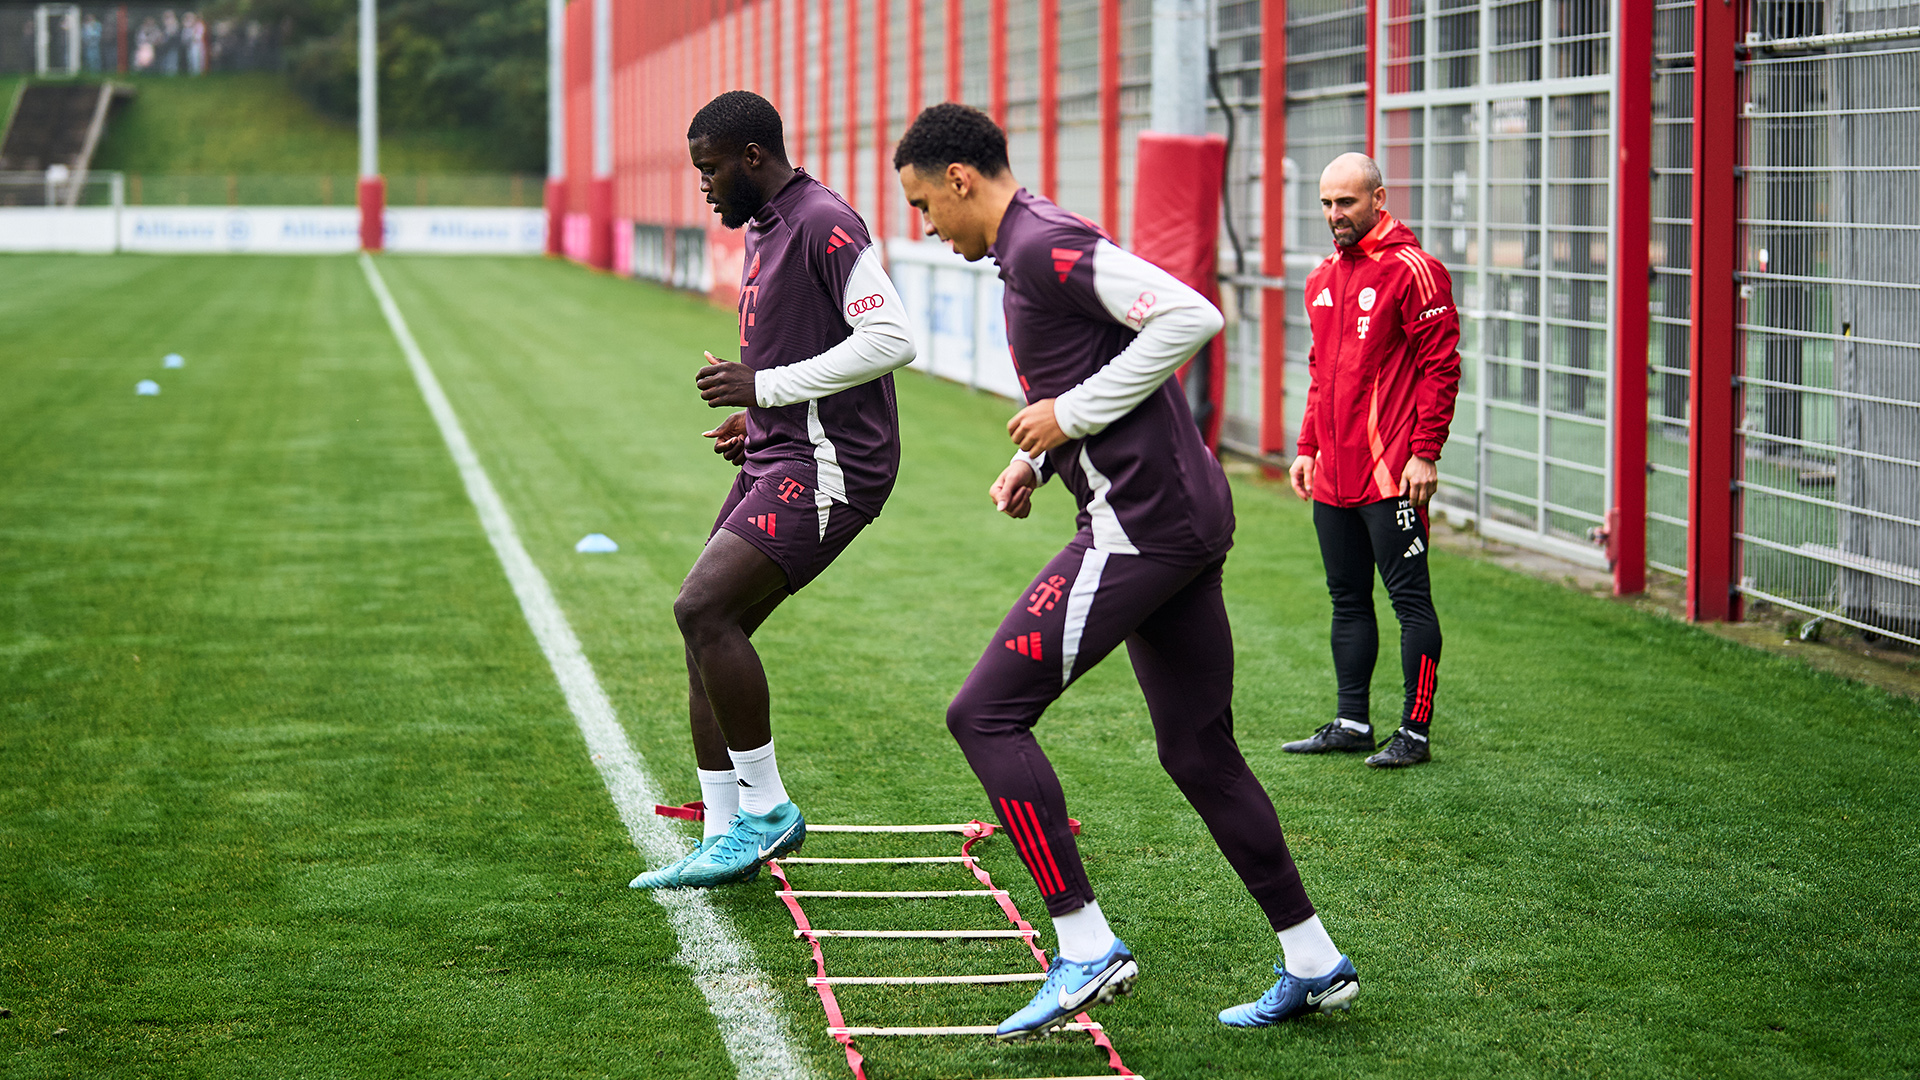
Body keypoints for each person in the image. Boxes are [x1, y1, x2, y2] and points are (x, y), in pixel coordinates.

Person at [894, 103, 1358, 1041]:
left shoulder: (1038, 243)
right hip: (1173, 519)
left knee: (983, 714)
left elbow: (1192, 314)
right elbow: (1110, 360)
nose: (923, 227)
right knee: (1198, 751)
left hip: (1142, 528)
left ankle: (1083, 944)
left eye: (922, 205)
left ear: (959, 179)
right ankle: (1315, 961)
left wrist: (1067, 415)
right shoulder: (1026, 247)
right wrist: (1038, 455)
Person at [629, 90, 917, 889]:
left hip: (835, 465)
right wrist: (756, 419)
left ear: (753, 156)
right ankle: (725, 831)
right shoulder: (765, 224)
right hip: (781, 453)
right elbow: (797, 361)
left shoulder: (824, 220)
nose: (705, 186)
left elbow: (894, 339)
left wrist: (765, 388)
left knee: (703, 609)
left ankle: (766, 810)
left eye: (711, 169)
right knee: (704, 629)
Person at [1281, 153, 1461, 768]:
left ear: (1379, 199)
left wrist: (1425, 453)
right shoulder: (1322, 277)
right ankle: (1353, 721)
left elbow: (1441, 369)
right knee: (1346, 598)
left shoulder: (1415, 271)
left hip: (1393, 474)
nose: (1335, 215)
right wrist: (1308, 448)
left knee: (1409, 601)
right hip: (1335, 473)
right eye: (1327, 203)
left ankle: (1414, 731)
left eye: (1347, 203)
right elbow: (1318, 376)